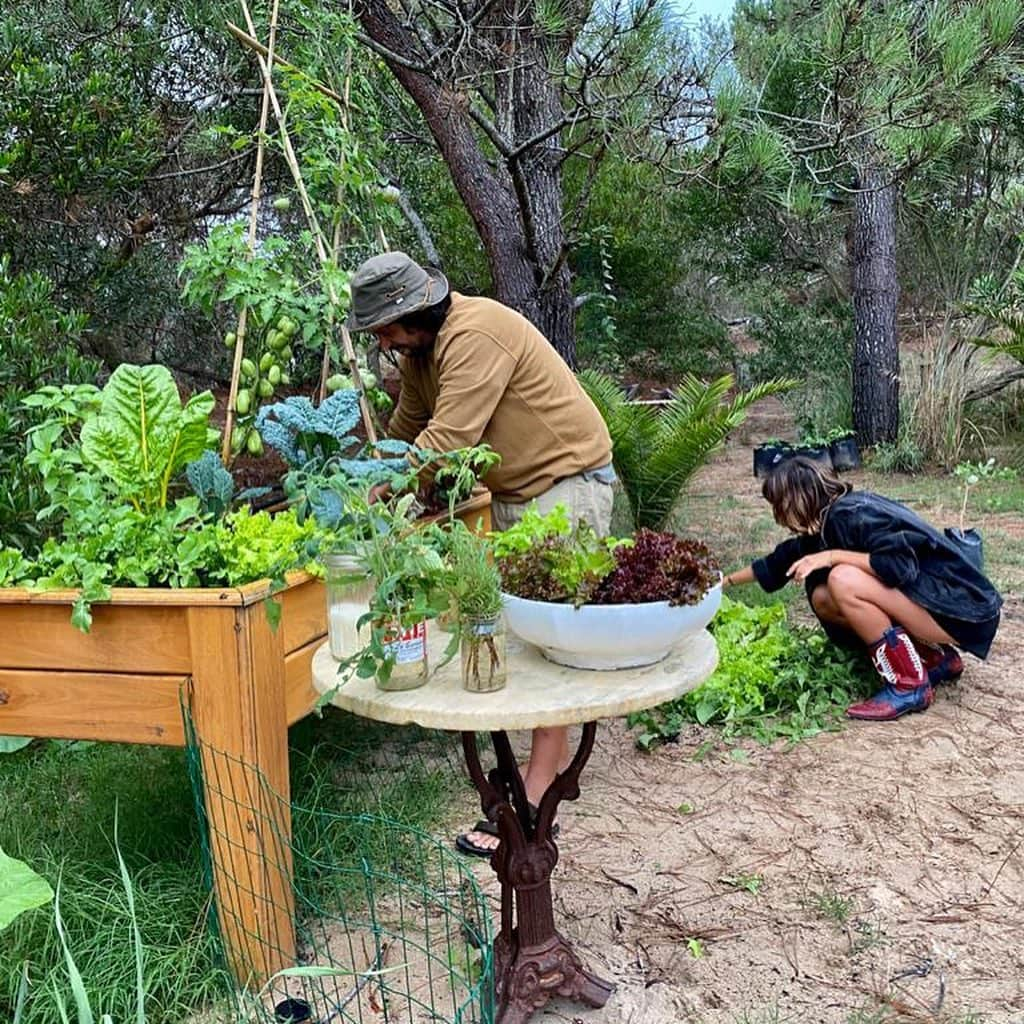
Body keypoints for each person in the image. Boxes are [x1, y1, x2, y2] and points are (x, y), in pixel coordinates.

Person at [345, 251, 616, 853]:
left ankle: (537, 795)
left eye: (384, 328)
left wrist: (374, 494)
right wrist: (360, 475)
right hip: (518, 492)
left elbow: (447, 440)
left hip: (568, 483)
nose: (383, 341)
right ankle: (528, 779)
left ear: (414, 310)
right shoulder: (420, 353)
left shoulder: (475, 332)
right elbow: (406, 432)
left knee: (554, 640)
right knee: (516, 632)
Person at [722, 456, 1002, 721]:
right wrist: (723, 583)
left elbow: (899, 566)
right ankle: (932, 658)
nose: (777, 516)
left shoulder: (851, 514)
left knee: (842, 579)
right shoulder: (827, 523)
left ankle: (909, 684)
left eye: (778, 505)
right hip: (943, 606)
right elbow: (776, 563)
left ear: (796, 500)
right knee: (823, 596)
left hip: (963, 610)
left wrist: (831, 557)